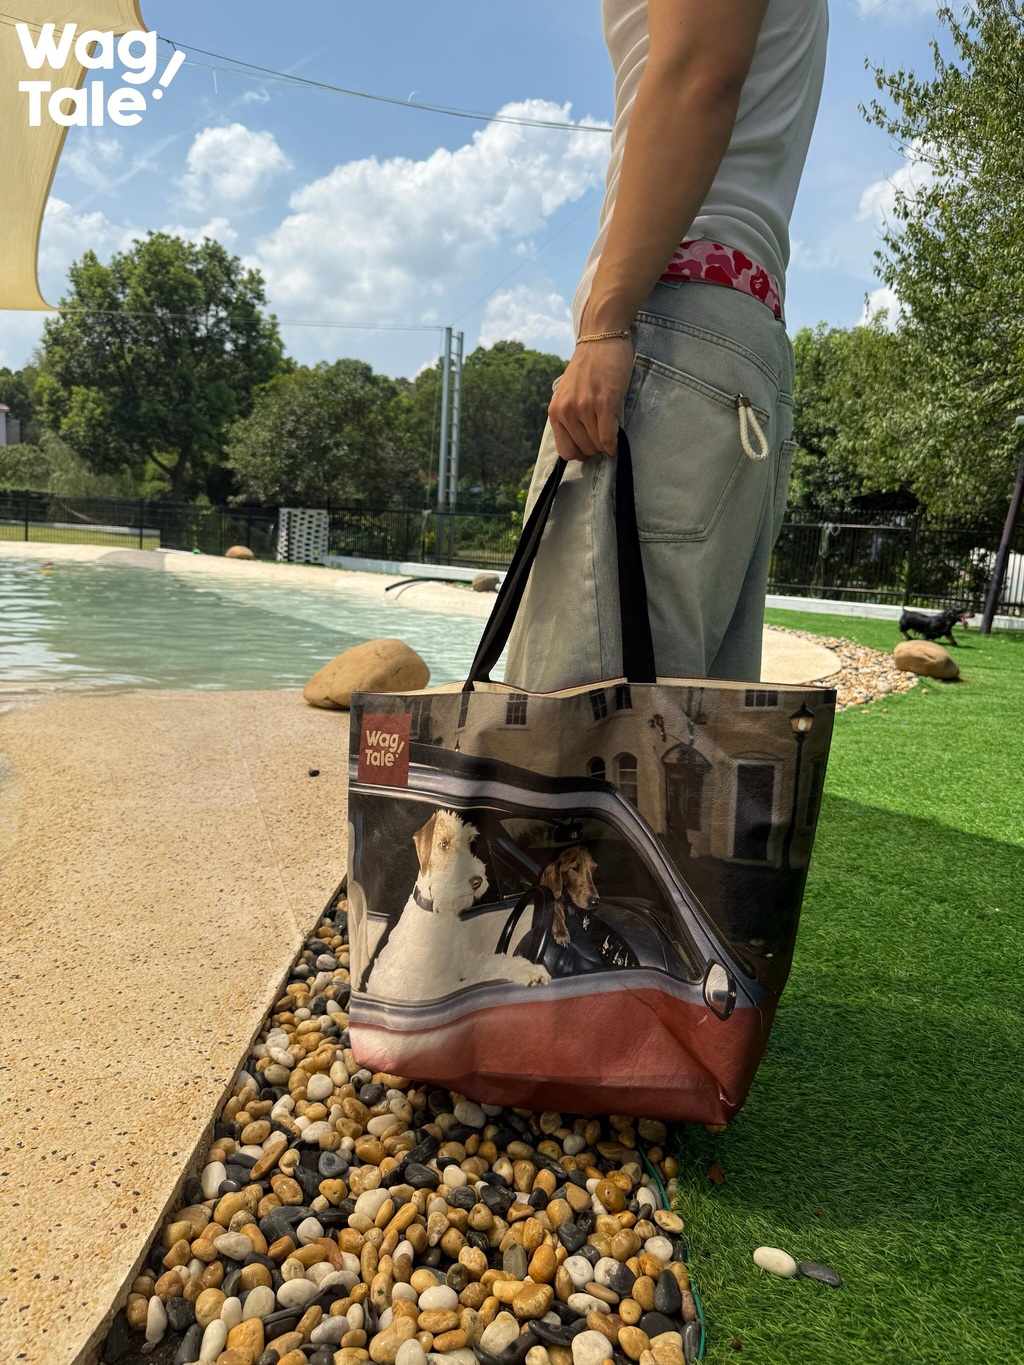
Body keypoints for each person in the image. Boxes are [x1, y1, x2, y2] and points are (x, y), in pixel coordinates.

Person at [505, 0, 828, 689]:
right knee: (679, 747)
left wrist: (605, 320)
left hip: (666, 329)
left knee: (569, 738)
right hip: (734, 336)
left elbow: (697, 75)